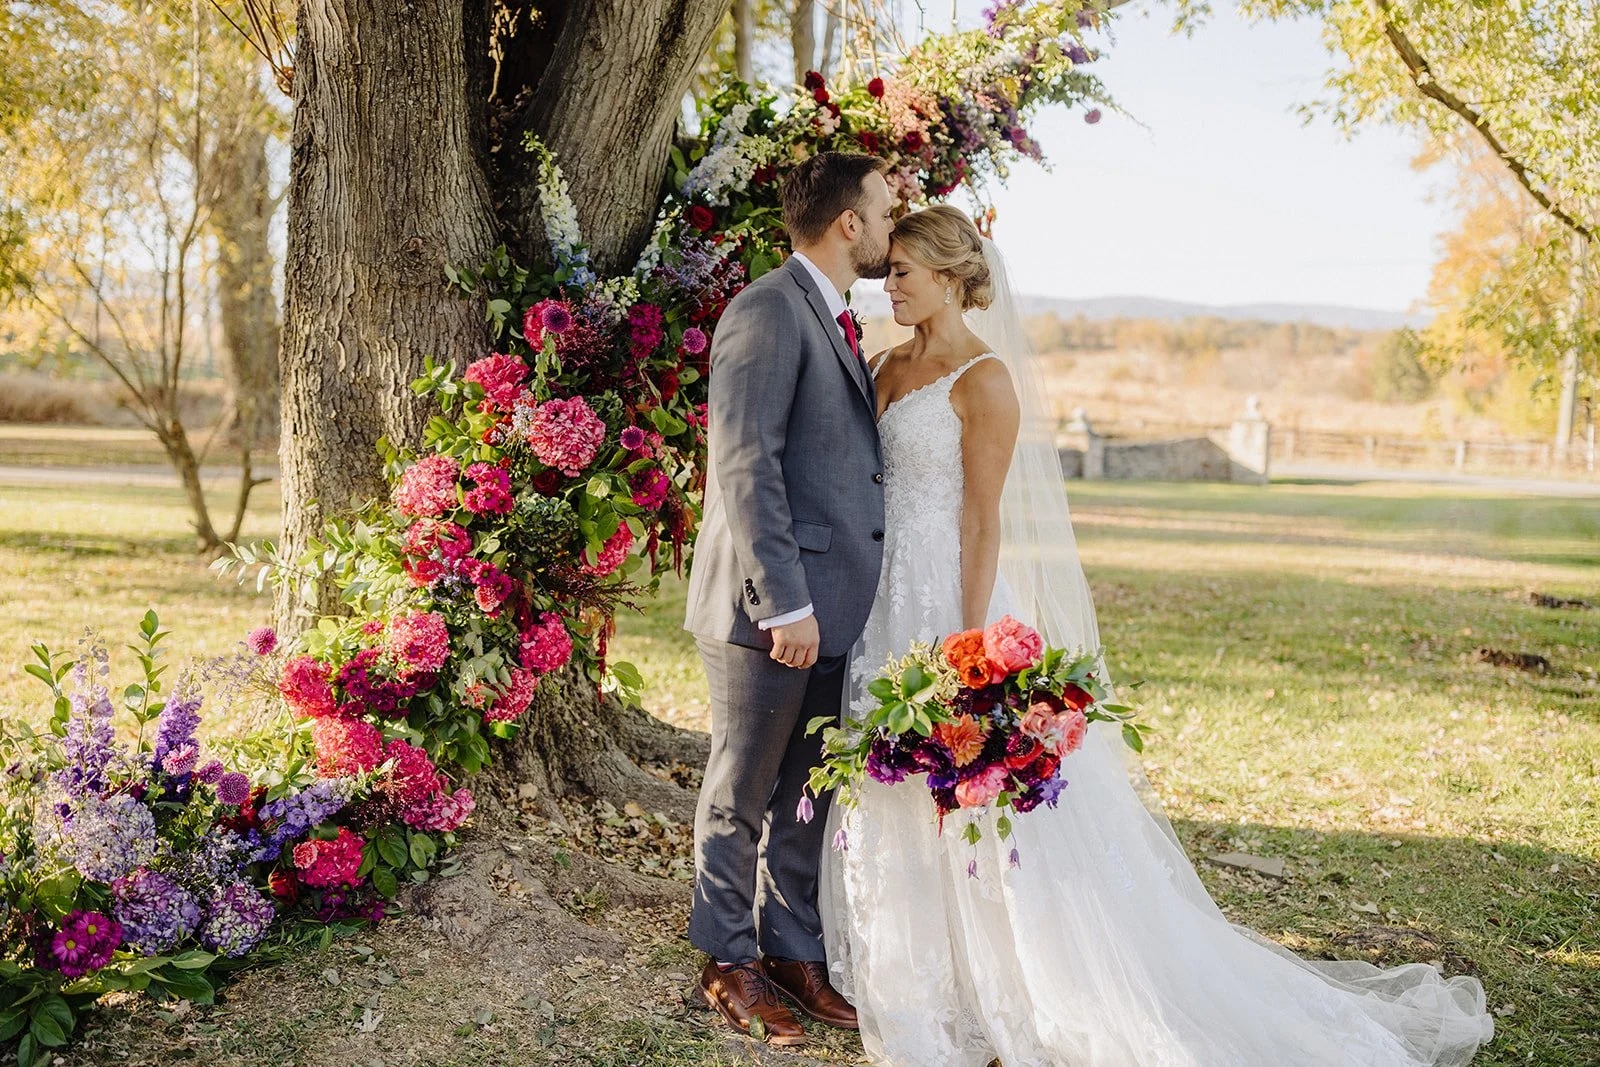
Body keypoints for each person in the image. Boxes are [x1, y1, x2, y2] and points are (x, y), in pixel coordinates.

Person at [819, 204, 1496, 1066]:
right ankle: (915, 969)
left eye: (904, 270)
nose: (890, 284)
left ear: (949, 277)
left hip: (953, 599)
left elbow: (982, 521)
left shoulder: (984, 381)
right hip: (884, 597)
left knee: (979, 793)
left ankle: (1015, 975)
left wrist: (965, 643)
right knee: (897, 781)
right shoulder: (885, 363)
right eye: (889, 272)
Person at [683, 150, 895, 1046]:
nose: (893, 221)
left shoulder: (838, 314)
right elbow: (744, 463)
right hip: (767, 611)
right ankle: (726, 959)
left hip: (832, 607)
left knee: (810, 789)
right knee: (742, 788)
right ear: (848, 222)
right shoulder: (767, 309)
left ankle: (792, 948)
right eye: (884, 207)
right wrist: (784, 604)